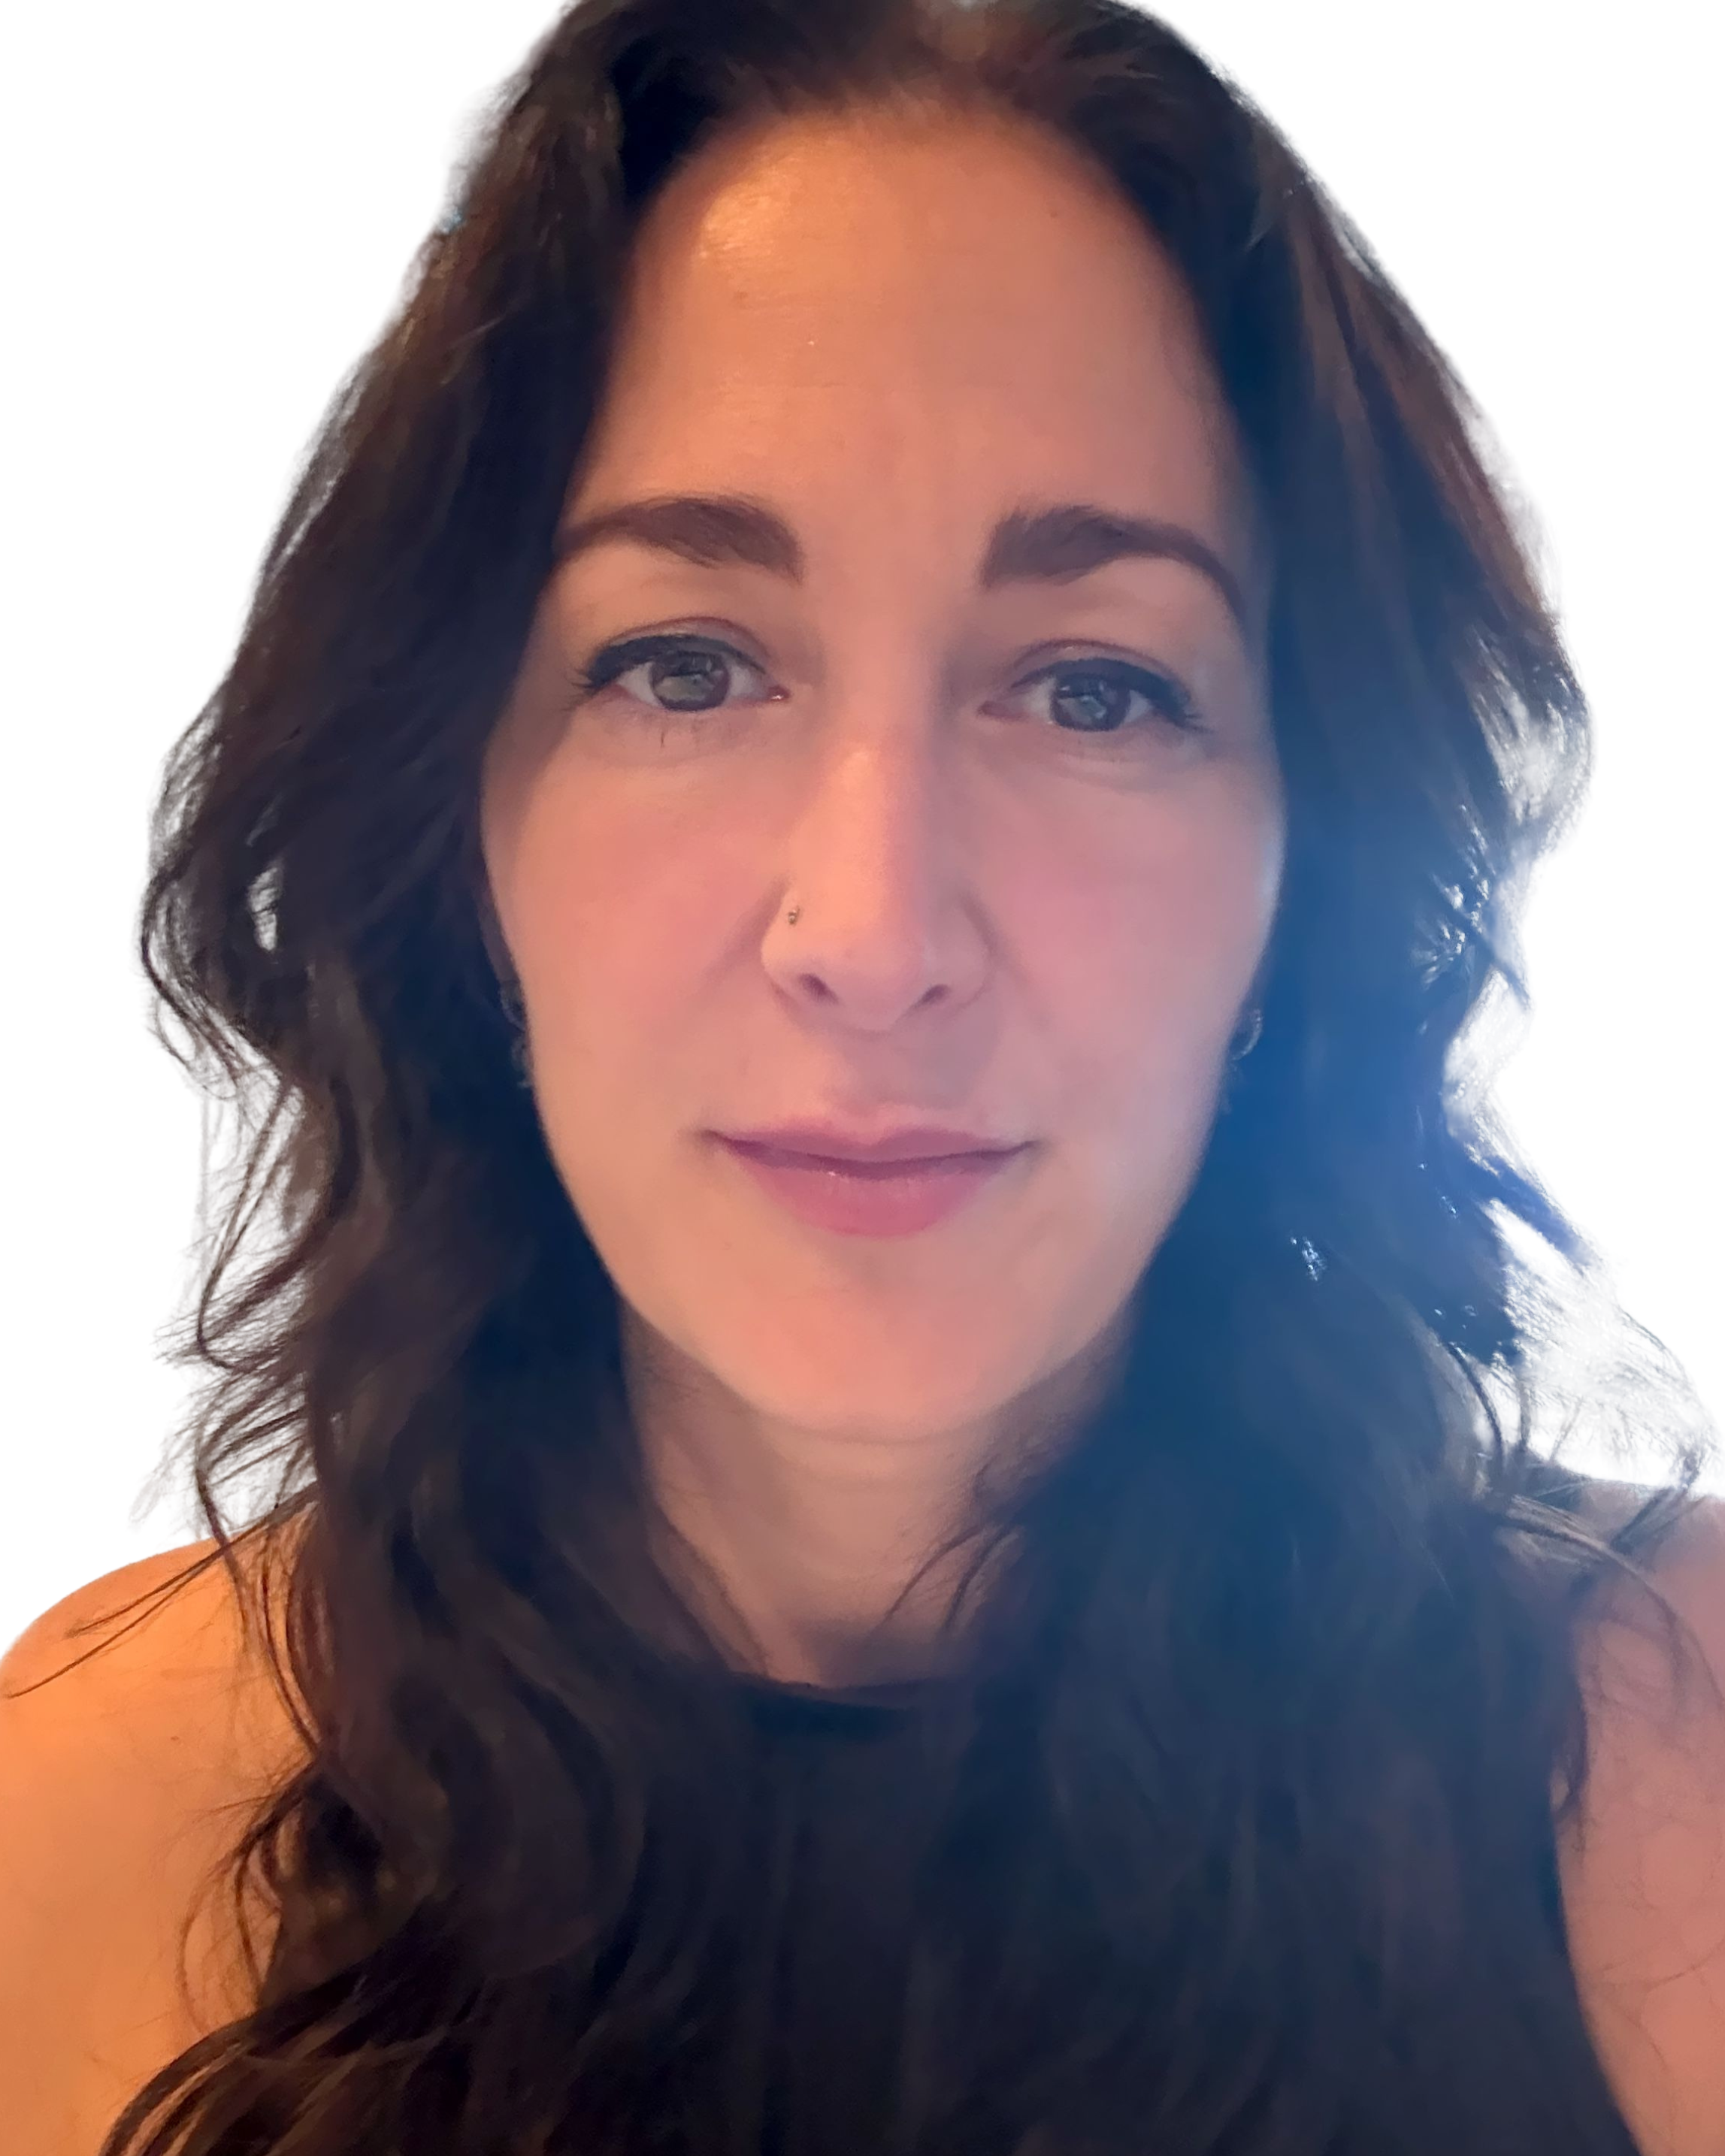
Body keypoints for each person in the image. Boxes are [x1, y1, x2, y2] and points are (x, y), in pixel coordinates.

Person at [3, 0, 1722, 2151]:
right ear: (459, 839)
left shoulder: (1670, 1773)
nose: (875, 933)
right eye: (683, 665)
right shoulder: (82, 1808)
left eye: (1093, 689)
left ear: (1307, 865)